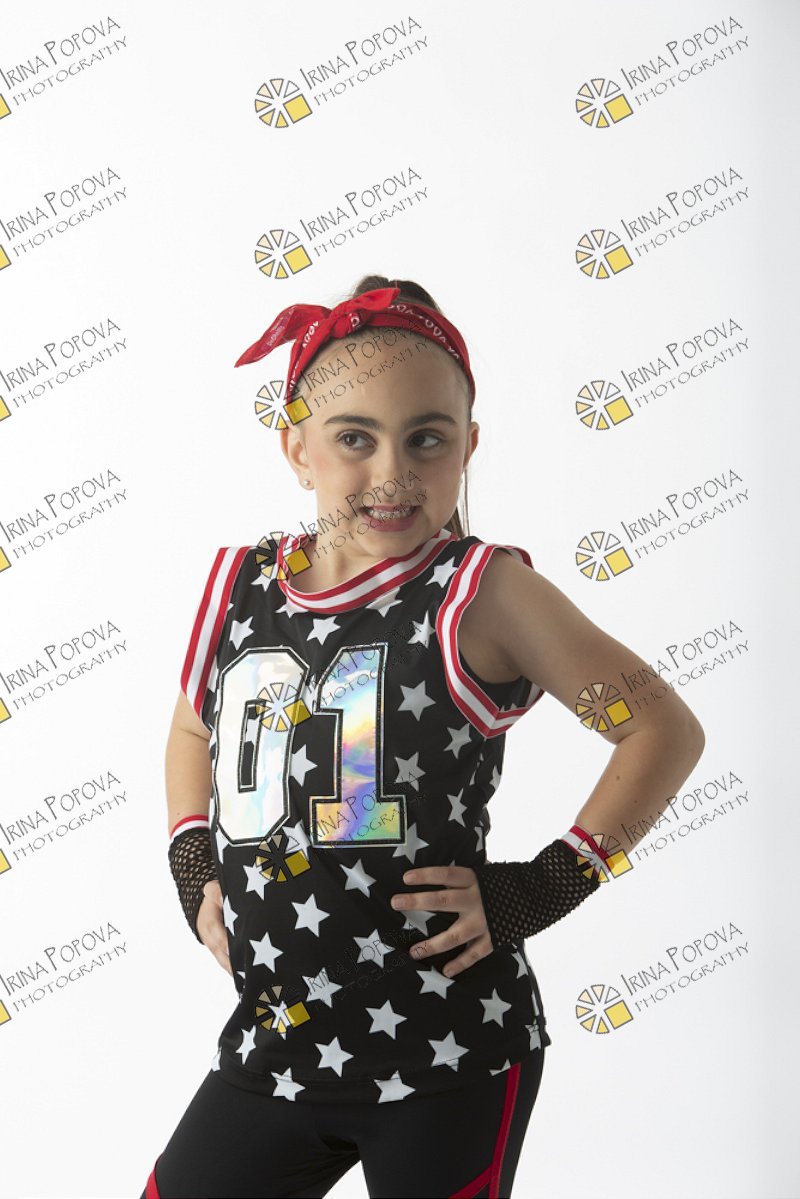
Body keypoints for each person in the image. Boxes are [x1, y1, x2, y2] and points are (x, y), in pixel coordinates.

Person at [140, 276, 705, 1199]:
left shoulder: (480, 593)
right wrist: (190, 856)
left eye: (427, 439)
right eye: (354, 438)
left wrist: (547, 883)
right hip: (275, 1044)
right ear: (296, 445)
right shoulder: (241, 585)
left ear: (469, 445)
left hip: (448, 1054)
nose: (393, 473)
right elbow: (191, 725)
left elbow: (660, 727)